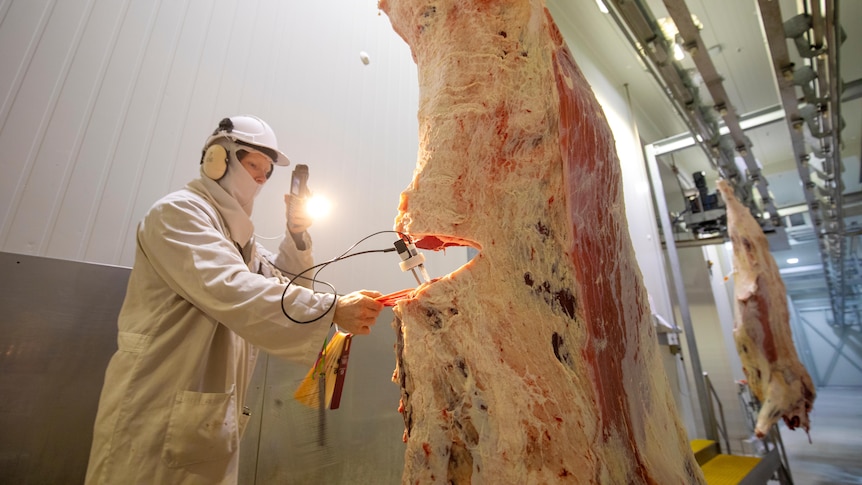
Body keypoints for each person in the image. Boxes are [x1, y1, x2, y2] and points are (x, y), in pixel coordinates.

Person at [85, 115, 384, 484]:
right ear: (217, 158)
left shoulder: (240, 241)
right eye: (253, 163)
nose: (261, 177)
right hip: (155, 407)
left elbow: (286, 283)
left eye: (268, 171)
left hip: (201, 418)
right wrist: (333, 308)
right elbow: (233, 288)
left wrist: (296, 235)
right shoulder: (179, 213)